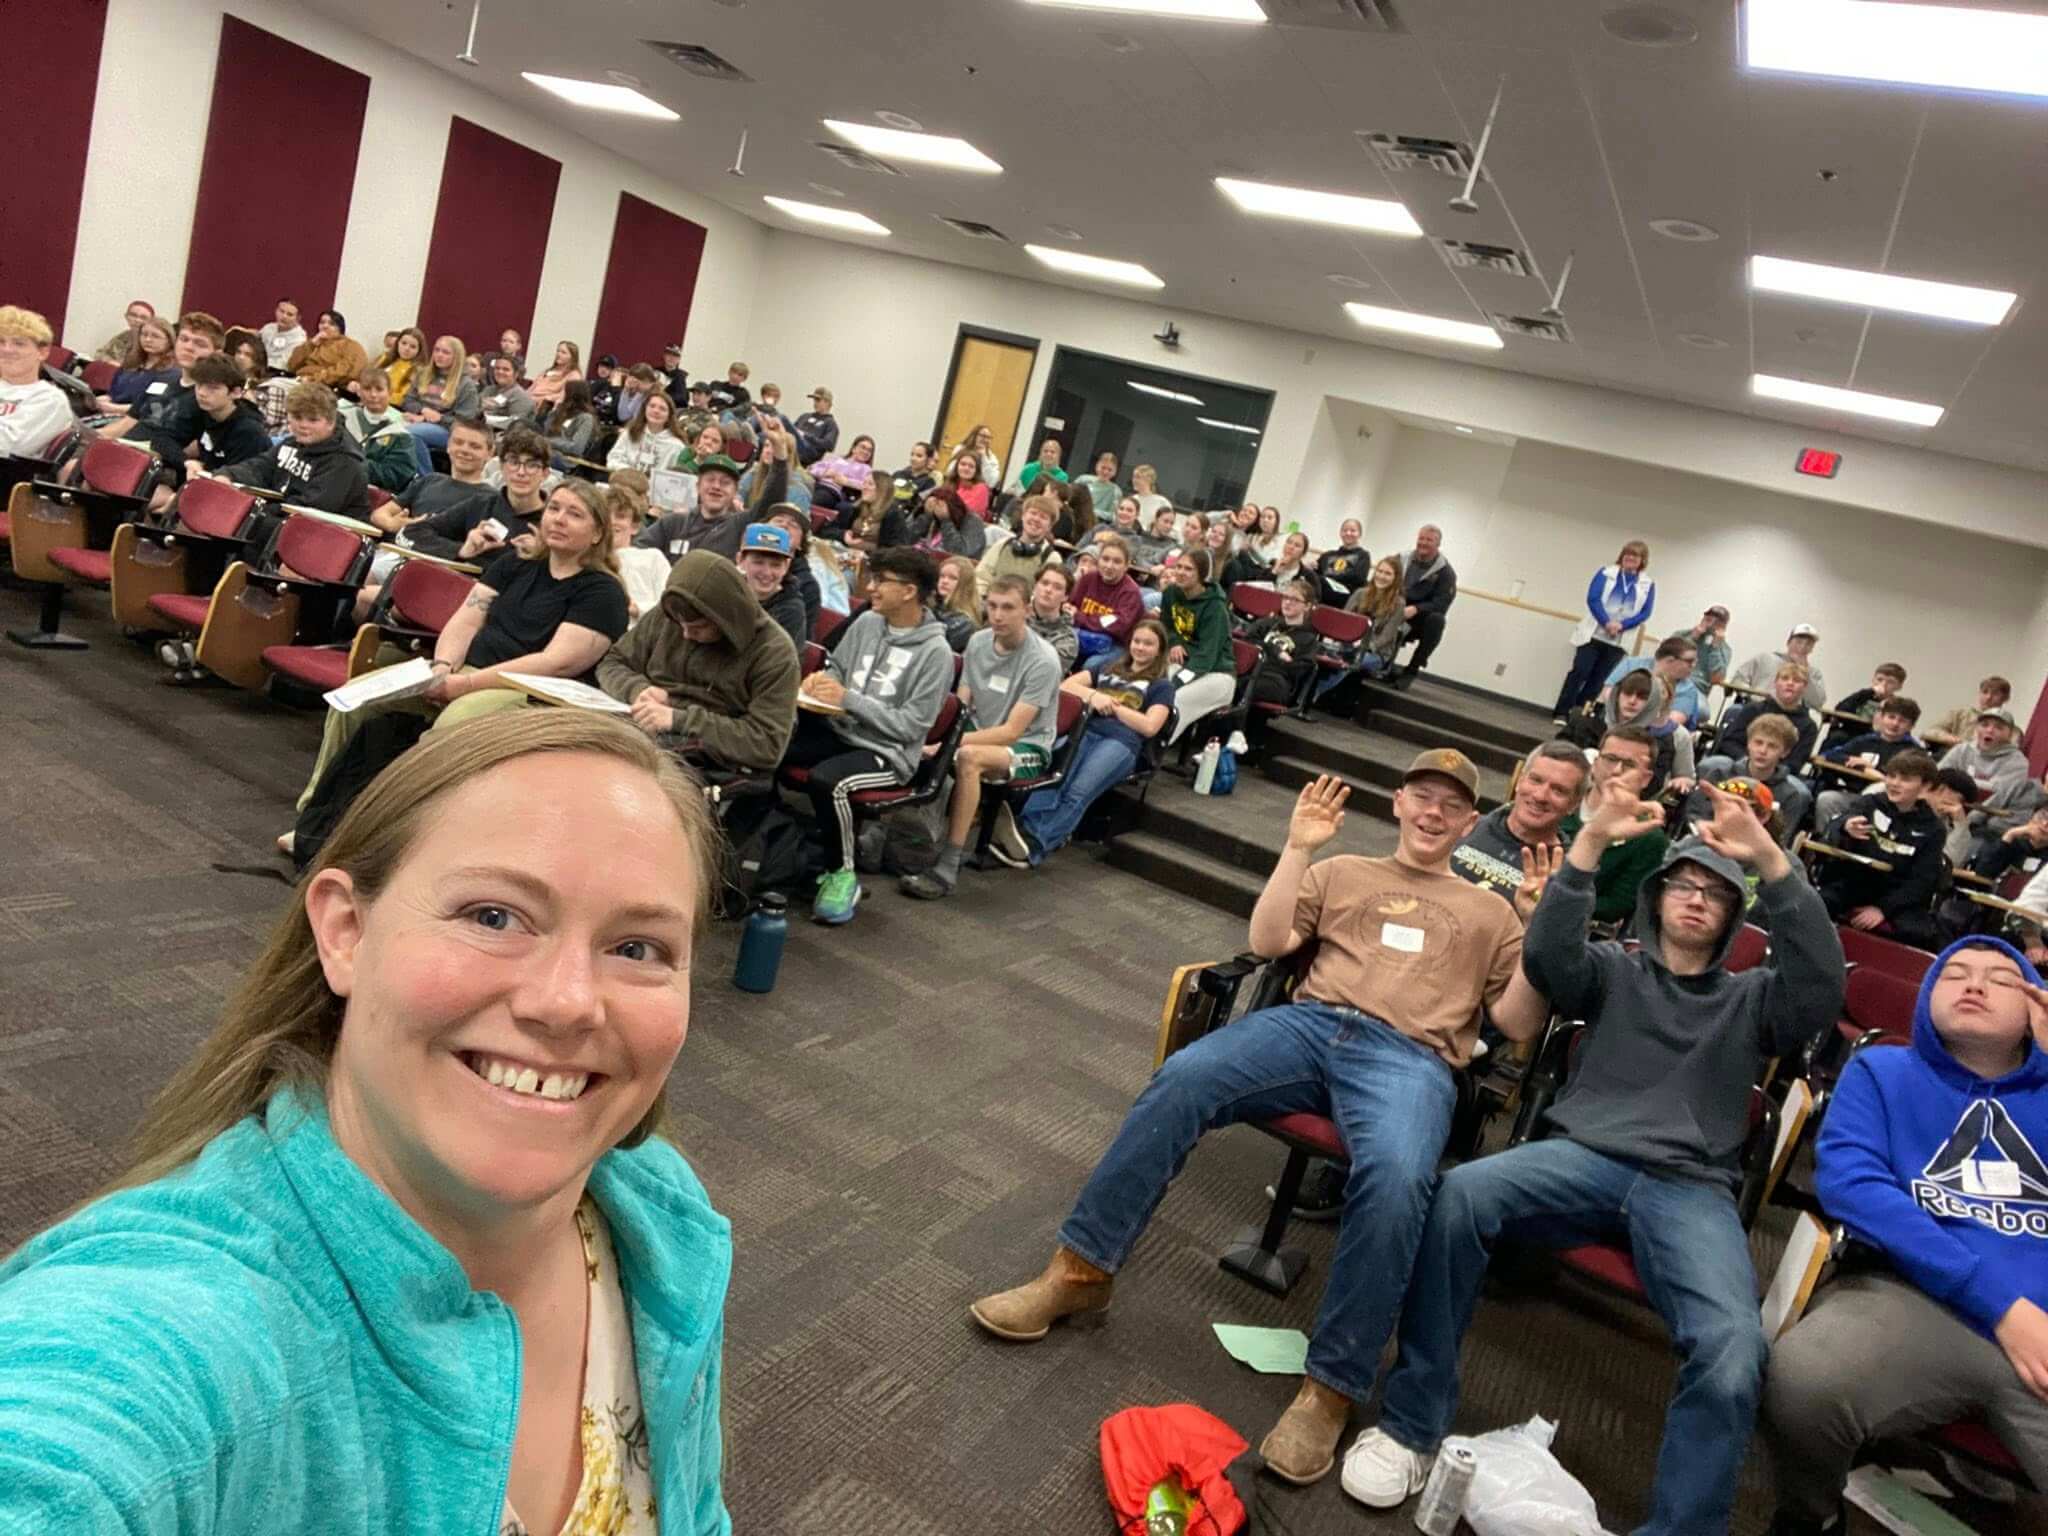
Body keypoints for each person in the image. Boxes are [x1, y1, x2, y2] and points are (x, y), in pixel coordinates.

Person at [0, 710, 732, 1533]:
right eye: (493, 916)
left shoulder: (656, 1222)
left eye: (638, 948)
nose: (565, 1002)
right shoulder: (194, 1328)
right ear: (345, 931)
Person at [975, 761, 1548, 1485]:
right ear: (1399, 802)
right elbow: (1271, 941)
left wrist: (1533, 926)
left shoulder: (1491, 912)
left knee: (1401, 1179)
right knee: (1183, 1079)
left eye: (1453, 807)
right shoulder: (1343, 870)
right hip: (1309, 1026)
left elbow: (1516, 1023)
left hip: (1412, 1059)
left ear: (1471, 826)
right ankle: (1080, 1269)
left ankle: (1331, 1387)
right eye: (1423, 798)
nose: (1434, 814)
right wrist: (1300, 847)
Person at [1344, 782, 1842, 1531]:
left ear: (1736, 915)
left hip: (1690, 1187)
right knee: (1458, 1197)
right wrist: (1588, 845)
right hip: (1583, 1157)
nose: (1698, 901)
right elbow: (1547, 956)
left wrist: (1771, 859)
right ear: (1656, 895)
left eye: (1715, 893)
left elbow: (1822, 989)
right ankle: (1413, 1422)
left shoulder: (1756, 998)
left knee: (1735, 1347)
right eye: (1684, 885)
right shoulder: (1613, 968)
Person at [1762, 936, 2048, 1534]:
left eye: (2000, 979)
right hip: (1917, 1296)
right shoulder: (1882, 1069)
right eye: (1954, 975)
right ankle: (1812, 1515)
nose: (1973, 985)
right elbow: (1853, 1185)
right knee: (1804, 1380)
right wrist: (1997, 1304)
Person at [290, 480, 629, 834]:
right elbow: (466, 618)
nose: (559, 519)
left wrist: (464, 684)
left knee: (454, 723)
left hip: (526, 691)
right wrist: (442, 667)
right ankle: (315, 818)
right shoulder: (517, 562)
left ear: (597, 534)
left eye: (574, 514)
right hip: (462, 672)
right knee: (358, 699)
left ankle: (400, 834)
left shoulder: (603, 593)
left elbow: (555, 662)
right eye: (555, 508)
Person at [780, 547, 952, 925]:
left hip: (889, 754)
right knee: (776, 752)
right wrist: (823, 686)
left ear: (908, 591)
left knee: (831, 783)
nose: (871, 587)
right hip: (841, 730)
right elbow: (838, 668)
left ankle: (844, 875)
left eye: (881, 581)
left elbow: (911, 727)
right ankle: (790, 848)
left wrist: (847, 699)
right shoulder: (868, 623)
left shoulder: (935, 653)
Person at [900, 576, 1061, 901]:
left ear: (1027, 610)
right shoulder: (977, 642)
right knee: (911, 731)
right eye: (992, 606)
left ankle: (949, 864)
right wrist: (938, 736)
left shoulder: (1043, 660)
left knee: (969, 758)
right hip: (976, 731)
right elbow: (962, 705)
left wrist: (950, 743)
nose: (998, 615)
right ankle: (882, 833)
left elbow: (1011, 732)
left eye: (1008, 608)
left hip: (1026, 747)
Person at [983, 617, 1176, 871]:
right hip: (1086, 731)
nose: (1140, 648)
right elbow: (1068, 685)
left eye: (1148, 644)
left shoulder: (1162, 686)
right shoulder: (1110, 666)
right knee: (1055, 777)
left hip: (1121, 742)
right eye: (1137, 641)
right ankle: (1021, 830)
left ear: (1159, 650)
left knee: (1078, 791)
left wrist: (1114, 707)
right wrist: (1095, 695)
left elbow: (1151, 726)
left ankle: (1034, 844)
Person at [600, 548, 800, 777]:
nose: (685, 634)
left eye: (698, 627)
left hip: (709, 759)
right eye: (680, 625)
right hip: (646, 728)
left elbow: (767, 745)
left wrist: (678, 719)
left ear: (724, 619)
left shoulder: (773, 651)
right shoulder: (670, 615)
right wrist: (639, 690)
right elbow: (613, 662)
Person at [1814, 749, 1946, 941]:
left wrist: (1883, 909)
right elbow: (1833, 829)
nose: (1895, 783)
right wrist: (1845, 827)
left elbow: (1922, 882)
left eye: (1905, 779)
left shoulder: (1934, 829)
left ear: (1925, 787)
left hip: (1896, 897)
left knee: (1920, 933)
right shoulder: (1869, 803)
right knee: (1818, 903)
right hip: (1853, 884)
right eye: (1891, 776)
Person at [1448, 741, 1588, 909]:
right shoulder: (1466, 826)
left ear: (1574, 805)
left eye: (1558, 790)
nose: (1540, 796)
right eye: (1536, 780)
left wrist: (1539, 918)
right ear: (1519, 781)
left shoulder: (1568, 877)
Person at [1555, 723, 1670, 926]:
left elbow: (1616, 906)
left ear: (1646, 779)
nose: (1617, 771)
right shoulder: (1559, 803)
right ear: (1595, 763)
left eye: (1629, 764)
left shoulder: (1649, 837)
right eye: (1610, 759)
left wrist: (1550, 898)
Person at [216, 382, 369, 518]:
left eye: (313, 420)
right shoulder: (293, 443)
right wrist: (228, 475)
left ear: (331, 422)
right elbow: (260, 467)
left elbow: (311, 507)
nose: (303, 425)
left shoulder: (345, 461)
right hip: (281, 518)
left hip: (319, 535)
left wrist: (255, 509)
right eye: (297, 417)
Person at [99, 310, 225, 459]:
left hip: (159, 463)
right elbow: (129, 422)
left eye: (199, 344)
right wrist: (95, 437)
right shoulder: (162, 380)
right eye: (184, 339)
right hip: (125, 448)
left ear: (217, 353)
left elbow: (197, 448)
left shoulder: (214, 396)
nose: (189, 347)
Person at [1555, 540, 1657, 719]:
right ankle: (1562, 712)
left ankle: (1579, 715)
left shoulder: (1647, 584)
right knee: (1580, 671)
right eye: (1627, 554)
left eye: (1635, 555)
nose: (1630, 558)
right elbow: (1593, 598)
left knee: (1598, 680)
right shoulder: (1606, 573)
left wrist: (1622, 626)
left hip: (1618, 640)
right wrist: (1606, 622)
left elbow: (1645, 612)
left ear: (1642, 560)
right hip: (1594, 634)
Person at [1686, 713, 1812, 849]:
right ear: (1748, 743)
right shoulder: (1720, 775)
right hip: (1707, 843)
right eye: (1758, 743)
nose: (1763, 751)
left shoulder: (1789, 795)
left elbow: (1780, 839)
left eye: (1772, 746)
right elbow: (1695, 813)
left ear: (1785, 752)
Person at [1813, 696, 1926, 830]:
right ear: (1882, 717)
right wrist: (1863, 767)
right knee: (1827, 800)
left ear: (1911, 726)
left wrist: (1877, 771)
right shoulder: (1865, 741)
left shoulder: (1914, 752)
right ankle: (1825, 840)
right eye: (1891, 717)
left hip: (1888, 804)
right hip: (1854, 796)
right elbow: (1830, 756)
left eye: (1902, 721)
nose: (1895, 724)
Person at [1158, 547, 1234, 745]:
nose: (1181, 572)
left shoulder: (1215, 608)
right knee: (1152, 686)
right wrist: (1174, 642)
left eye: (1189, 569)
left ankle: (1154, 750)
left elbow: (1206, 657)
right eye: (1179, 567)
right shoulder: (1171, 593)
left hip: (1217, 673)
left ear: (1201, 574)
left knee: (1175, 699)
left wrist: (1177, 683)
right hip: (1185, 661)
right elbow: (1165, 625)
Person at [1241, 581, 1323, 752]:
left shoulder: (1309, 639)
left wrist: (1264, 651)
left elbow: (1297, 670)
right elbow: (1248, 643)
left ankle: (1236, 738)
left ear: (1307, 606)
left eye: (1295, 599)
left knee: (1242, 687)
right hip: (1252, 671)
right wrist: (1276, 652)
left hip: (1277, 683)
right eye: (1285, 597)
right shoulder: (1268, 624)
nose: (1287, 602)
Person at [636, 453, 747, 562]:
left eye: (725, 482)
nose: (716, 486)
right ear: (697, 486)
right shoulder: (674, 522)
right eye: (710, 479)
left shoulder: (737, 527)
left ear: (735, 491)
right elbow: (637, 550)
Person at [0, 306, 77, 458]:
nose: (7, 350)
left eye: (19, 343)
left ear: (42, 353)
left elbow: (7, 448)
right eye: (1, 342)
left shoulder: (49, 400)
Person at [1719, 662, 1820, 774]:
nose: (1790, 683)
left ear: (1804, 687)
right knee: (1714, 764)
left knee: (1801, 791)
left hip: (1777, 776)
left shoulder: (1809, 726)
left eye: (1796, 680)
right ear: (1776, 683)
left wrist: (1768, 770)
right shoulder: (1753, 709)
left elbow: (1795, 763)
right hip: (1740, 763)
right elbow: (1729, 742)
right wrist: (1749, 762)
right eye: (1785, 678)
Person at [399, 336, 480, 475]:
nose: (439, 355)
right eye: (437, 350)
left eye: (445, 352)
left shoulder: (466, 385)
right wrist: (423, 410)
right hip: (416, 419)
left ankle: (426, 479)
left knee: (410, 434)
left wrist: (436, 418)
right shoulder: (424, 373)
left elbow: (465, 421)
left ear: (457, 357)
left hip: (448, 430)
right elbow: (408, 400)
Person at [340, 367, 423, 493]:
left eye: (379, 389)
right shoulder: (343, 420)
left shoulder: (400, 433)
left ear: (390, 392)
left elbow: (398, 476)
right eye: (367, 389)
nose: (373, 395)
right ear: (359, 392)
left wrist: (355, 465)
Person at [1393, 524, 1456, 689]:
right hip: (1393, 608)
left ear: (1438, 544)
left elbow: (1442, 603)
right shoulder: (1400, 559)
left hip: (1419, 618)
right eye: (1421, 538)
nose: (1424, 543)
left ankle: (1412, 669)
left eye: (1429, 540)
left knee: (1437, 621)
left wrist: (1417, 609)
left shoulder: (1446, 573)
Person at [602, 473, 670, 622]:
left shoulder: (653, 557)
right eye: (606, 516)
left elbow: (669, 605)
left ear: (634, 526)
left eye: (620, 516)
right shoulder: (588, 560)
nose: (612, 522)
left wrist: (635, 608)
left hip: (644, 635)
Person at [734, 522, 805, 651]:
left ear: (786, 566)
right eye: (758, 562)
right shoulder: (727, 592)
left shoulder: (792, 611)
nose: (767, 572)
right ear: (740, 560)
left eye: (775, 565)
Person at [977, 494, 1061, 600]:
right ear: (1023, 516)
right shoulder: (1002, 545)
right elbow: (981, 577)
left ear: (1050, 526)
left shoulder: (1051, 558)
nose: (1036, 519)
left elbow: (1044, 595)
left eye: (1043, 517)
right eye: (1033, 513)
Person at [1730, 624, 1826, 710]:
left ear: (1812, 649)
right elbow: (1738, 678)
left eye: (1808, 644)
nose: (1802, 647)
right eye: (1799, 642)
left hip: (1789, 716)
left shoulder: (1814, 673)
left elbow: (1818, 702)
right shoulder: (1766, 658)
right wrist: (1749, 696)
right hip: (1756, 706)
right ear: (1788, 643)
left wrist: (1806, 673)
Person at [1941, 707, 2029, 801]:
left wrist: (1957, 781)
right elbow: (1939, 774)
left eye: (1998, 727)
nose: (1990, 730)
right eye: (1984, 725)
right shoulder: (1963, 749)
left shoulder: (2017, 762)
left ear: (2010, 735)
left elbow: (1996, 791)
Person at [98, 313, 178, 410]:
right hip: (111, 411)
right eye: (144, 335)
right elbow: (113, 393)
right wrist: (99, 401)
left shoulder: (170, 372)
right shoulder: (130, 363)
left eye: (155, 336)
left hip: (137, 419)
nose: (148, 339)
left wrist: (115, 408)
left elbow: (153, 407)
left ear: (169, 341)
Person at [284, 310, 368, 391]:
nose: (325, 326)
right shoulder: (313, 343)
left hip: (325, 386)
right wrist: (311, 344)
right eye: (322, 322)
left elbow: (343, 371)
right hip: (298, 379)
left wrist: (312, 379)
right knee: (275, 382)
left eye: (331, 324)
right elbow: (291, 366)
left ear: (340, 328)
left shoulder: (350, 345)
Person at [607, 391, 682, 478]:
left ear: (669, 416)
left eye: (662, 409)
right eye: (652, 406)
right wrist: (632, 474)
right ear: (644, 409)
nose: (656, 411)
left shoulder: (676, 446)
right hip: (625, 483)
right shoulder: (630, 433)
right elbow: (613, 459)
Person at [1925, 676, 2013, 749]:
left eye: (1995, 694)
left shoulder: (2009, 727)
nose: (1988, 697)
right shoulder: (1959, 714)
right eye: (1985, 692)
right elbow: (1929, 732)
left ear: (2005, 698)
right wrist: (1958, 741)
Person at [908, 487, 988, 560]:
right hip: (925, 560)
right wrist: (927, 516)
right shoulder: (930, 516)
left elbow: (960, 552)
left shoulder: (972, 521)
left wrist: (945, 520)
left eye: (939, 506)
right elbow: (906, 540)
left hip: (956, 567)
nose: (936, 509)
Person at [1026, 563, 1079, 673]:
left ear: (1065, 596)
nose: (1048, 590)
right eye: (1044, 583)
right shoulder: (1015, 616)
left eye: (1057, 587)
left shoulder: (1067, 638)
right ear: (1035, 586)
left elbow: (1044, 673)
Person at [541, 379, 599, 467]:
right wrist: (553, 412)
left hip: (566, 459)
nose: (559, 394)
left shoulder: (586, 418)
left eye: (562, 391)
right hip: (548, 451)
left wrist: (549, 441)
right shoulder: (559, 412)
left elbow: (576, 448)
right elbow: (545, 434)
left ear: (570, 395)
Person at [931, 555, 981, 653]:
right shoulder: (933, 605)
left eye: (953, 578)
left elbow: (938, 647)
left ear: (965, 584)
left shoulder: (965, 622)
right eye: (942, 576)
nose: (944, 581)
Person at [1315, 520, 1371, 605]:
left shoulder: (1363, 556)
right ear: (1340, 533)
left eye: (1353, 531)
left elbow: (1359, 579)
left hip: (1345, 596)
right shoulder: (1327, 555)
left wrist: (1331, 579)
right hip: (1323, 592)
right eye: (1345, 530)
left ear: (1359, 534)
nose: (1348, 533)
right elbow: (1316, 574)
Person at [1682, 605, 1733, 693]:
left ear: (1723, 627)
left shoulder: (1725, 649)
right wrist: (1692, 639)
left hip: (1696, 689)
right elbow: (1664, 657)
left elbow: (1716, 679)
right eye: (1708, 620)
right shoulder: (1683, 635)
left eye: (1717, 623)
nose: (1710, 625)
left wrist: (1715, 647)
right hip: (1671, 679)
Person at [369, 327, 425, 406]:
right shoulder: (385, 357)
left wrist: (377, 396)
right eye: (404, 343)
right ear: (398, 343)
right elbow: (368, 377)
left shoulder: (417, 370)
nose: (407, 348)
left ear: (419, 350)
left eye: (413, 347)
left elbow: (402, 398)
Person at [478, 354, 536, 427]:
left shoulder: (522, 397)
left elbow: (515, 424)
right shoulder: (488, 390)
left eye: (506, 369)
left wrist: (484, 418)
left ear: (516, 374)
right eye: (497, 368)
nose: (500, 372)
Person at [93, 298, 156, 364]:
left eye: (143, 317)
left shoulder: (153, 340)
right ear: (126, 317)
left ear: (151, 321)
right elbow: (100, 354)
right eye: (133, 315)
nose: (137, 320)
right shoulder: (123, 336)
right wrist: (110, 361)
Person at [1267, 531, 1324, 604]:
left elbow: (1314, 602)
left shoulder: (1309, 577)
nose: (1291, 547)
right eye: (1289, 542)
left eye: (1297, 545)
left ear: (1303, 553)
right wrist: (1274, 573)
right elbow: (1259, 592)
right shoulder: (1270, 569)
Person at [526, 341, 580, 414]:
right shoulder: (547, 371)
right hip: (529, 402)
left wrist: (546, 398)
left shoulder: (573, 375)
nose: (558, 354)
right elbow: (532, 388)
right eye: (558, 351)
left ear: (572, 357)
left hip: (543, 407)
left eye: (563, 352)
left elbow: (564, 396)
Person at [939, 449, 992, 520]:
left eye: (971, 466)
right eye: (963, 464)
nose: (966, 468)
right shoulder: (950, 482)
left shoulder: (981, 488)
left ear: (976, 470)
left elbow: (965, 514)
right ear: (957, 466)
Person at [257, 298, 306, 373]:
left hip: (278, 373)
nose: (284, 316)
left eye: (290, 314)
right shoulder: (269, 327)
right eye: (281, 311)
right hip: (259, 367)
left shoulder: (300, 340)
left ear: (297, 319)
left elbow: (284, 364)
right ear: (276, 311)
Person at [792, 385, 838, 465]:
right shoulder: (804, 416)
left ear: (827, 402)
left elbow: (829, 445)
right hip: (792, 448)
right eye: (814, 400)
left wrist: (805, 436)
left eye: (818, 400)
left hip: (808, 454)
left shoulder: (830, 424)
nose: (815, 403)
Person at [1073, 450, 1121, 524]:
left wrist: (1091, 511)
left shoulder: (1116, 491)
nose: (1105, 472)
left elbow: (1113, 515)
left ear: (1115, 472)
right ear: (1097, 466)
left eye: (1110, 470)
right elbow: (1069, 497)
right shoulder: (1083, 479)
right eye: (1103, 468)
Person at [950, 423, 1001, 490]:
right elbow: (950, 470)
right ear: (974, 435)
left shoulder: (991, 458)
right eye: (982, 436)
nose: (985, 440)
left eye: (988, 438)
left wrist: (984, 458)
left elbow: (991, 483)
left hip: (977, 490)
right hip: (957, 485)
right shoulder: (960, 448)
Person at [891, 440, 938, 512]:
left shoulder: (929, 483)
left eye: (919, 456)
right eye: (912, 454)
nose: (913, 459)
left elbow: (917, 508)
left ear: (928, 460)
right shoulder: (898, 474)